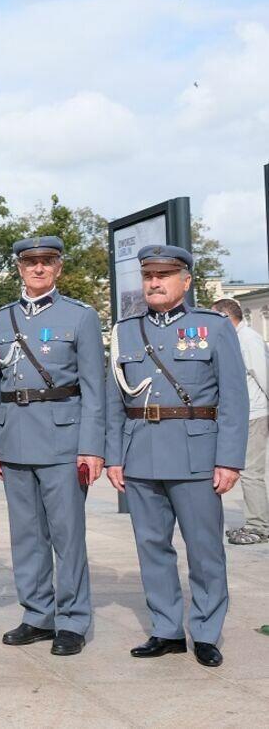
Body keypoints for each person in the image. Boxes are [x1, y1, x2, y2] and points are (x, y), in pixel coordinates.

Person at [105, 246, 249, 667]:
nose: (154, 283)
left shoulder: (213, 327)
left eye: (164, 275)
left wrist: (229, 460)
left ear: (185, 281)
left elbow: (234, 399)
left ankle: (205, 631)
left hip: (195, 453)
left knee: (204, 549)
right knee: (152, 547)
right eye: (148, 276)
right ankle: (166, 629)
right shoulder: (126, 331)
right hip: (140, 452)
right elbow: (115, 401)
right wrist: (114, 456)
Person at [0, 236, 104, 657]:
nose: (38, 268)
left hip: (62, 440)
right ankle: (37, 614)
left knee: (67, 536)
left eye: (47, 261)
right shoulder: (0, 320)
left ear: (58, 268)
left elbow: (94, 388)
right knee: (26, 535)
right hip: (14, 438)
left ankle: (71, 619)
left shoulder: (80, 316)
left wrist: (91, 446)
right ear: (19, 268)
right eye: (30, 262)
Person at [211, 297, 269, 545]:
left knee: (251, 473)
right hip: (240, 416)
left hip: (254, 414)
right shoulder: (234, 339)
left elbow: (264, 376)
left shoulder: (249, 340)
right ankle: (255, 522)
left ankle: (259, 526)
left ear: (225, 317)